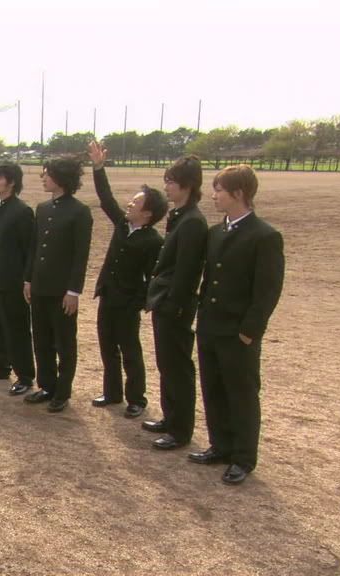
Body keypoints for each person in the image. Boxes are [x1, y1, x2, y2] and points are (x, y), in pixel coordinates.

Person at [191, 165, 284, 485]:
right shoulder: (216, 232)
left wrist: (248, 332)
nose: (213, 195)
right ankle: (220, 446)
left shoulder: (265, 236)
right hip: (210, 327)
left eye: (219, 190)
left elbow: (267, 291)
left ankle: (243, 458)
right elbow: (209, 280)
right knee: (213, 389)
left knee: (241, 394)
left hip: (237, 332)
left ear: (239, 193)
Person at [87, 142, 166, 418]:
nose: (130, 204)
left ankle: (136, 399)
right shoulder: (122, 224)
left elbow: (153, 277)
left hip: (128, 303)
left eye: (136, 202)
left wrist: (139, 302)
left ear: (148, 213)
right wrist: (99, 167)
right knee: (107, 347)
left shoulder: (153, 240)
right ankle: (112, 393)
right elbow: (106, 198)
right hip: (108, 296)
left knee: (130, 351)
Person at [141, 156, 208, 450]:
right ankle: (170, 418)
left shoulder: (192, 222)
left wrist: (173, 305)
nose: (166, 186)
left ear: (187, 185)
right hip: (165, 301)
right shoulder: (180, 216)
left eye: (171, 181)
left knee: (177, 367)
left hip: (174, 305)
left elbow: (187, 270)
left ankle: (180, 430)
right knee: (166, 364)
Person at [23, 156, 92, 413]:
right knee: (41, 340)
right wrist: (28, 279)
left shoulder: (80, 212)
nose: (43, 178)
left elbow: (80, 256)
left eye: (47, 174)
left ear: (61, 178)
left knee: (64, 343)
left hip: (63, 291)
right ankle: (47, 386)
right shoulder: (42, 208)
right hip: (40, 286)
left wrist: (73, 291)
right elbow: (34, 248)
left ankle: (62, 392)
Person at [0, 160, 36, 395]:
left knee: (16, 328)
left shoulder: (22, 211)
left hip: (13, 281)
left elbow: (28, 249)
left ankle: (25, 375)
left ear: (11, 182)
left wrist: (26, 279)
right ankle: (1, 365)